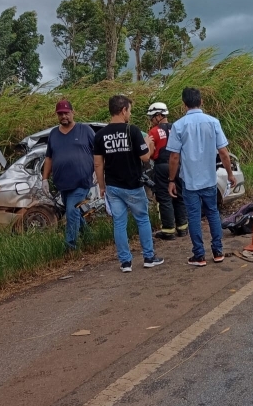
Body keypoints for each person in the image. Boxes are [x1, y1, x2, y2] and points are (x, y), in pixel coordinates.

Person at [166, 87, 237, 267]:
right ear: (201, 101)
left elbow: (174, 157)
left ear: (184, 105)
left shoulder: (178, 125)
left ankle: (199, 255)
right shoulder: (213, 122)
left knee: (194, 217)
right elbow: (223, 152)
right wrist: (229, 174)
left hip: (189, 181)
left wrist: (171, 180)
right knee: (213, 213)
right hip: (209, 179)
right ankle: (218, 251)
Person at [93, 95, 164, 273]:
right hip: (133, 185)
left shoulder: (100, 135)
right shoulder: (132, 131)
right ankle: (148, 257)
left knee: (119, 223)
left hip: (113, 187)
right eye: (129, 110)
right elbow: (145, 157)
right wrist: (147, 143)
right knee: (142, 219)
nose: (130, 114)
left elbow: (98, 164)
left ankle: (125, 262)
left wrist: (102, 186)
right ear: (123, 110)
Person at [42, 99, 95, 252]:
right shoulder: (53, 134)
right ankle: (89, 239)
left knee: (72, 211)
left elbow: (98, 152)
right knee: (75, 212)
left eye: (66, 113)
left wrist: (99, 172)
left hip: (81, 181)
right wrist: (44, 178)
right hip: (62, 183)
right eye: (60, 114)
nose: (64, 116)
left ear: (73, 112)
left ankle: (70, 247)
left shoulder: (85, 130)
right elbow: (49, 158)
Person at [146, 102, 189, 240]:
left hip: (162, 167)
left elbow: (151, 153)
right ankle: (183, 228)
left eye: (152, 117)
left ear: (158, 116)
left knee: (164, 198)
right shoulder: (177, 128)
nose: (151, 121)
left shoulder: (153, 132)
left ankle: (168, 230)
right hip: (178, 165)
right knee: (179, 196)